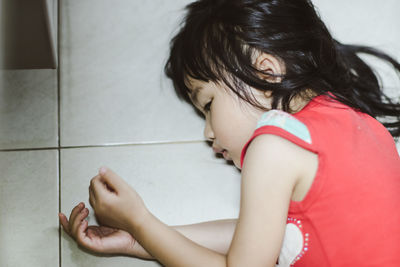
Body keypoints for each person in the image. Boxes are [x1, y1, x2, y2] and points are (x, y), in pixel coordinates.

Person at [59, 0, 400, 266]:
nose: (208, 132)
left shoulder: (273, 147)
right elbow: (259, 238)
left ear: (266, 73)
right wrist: (138, 238)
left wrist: (141, 221)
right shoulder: (362, 124)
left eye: (208, 105)